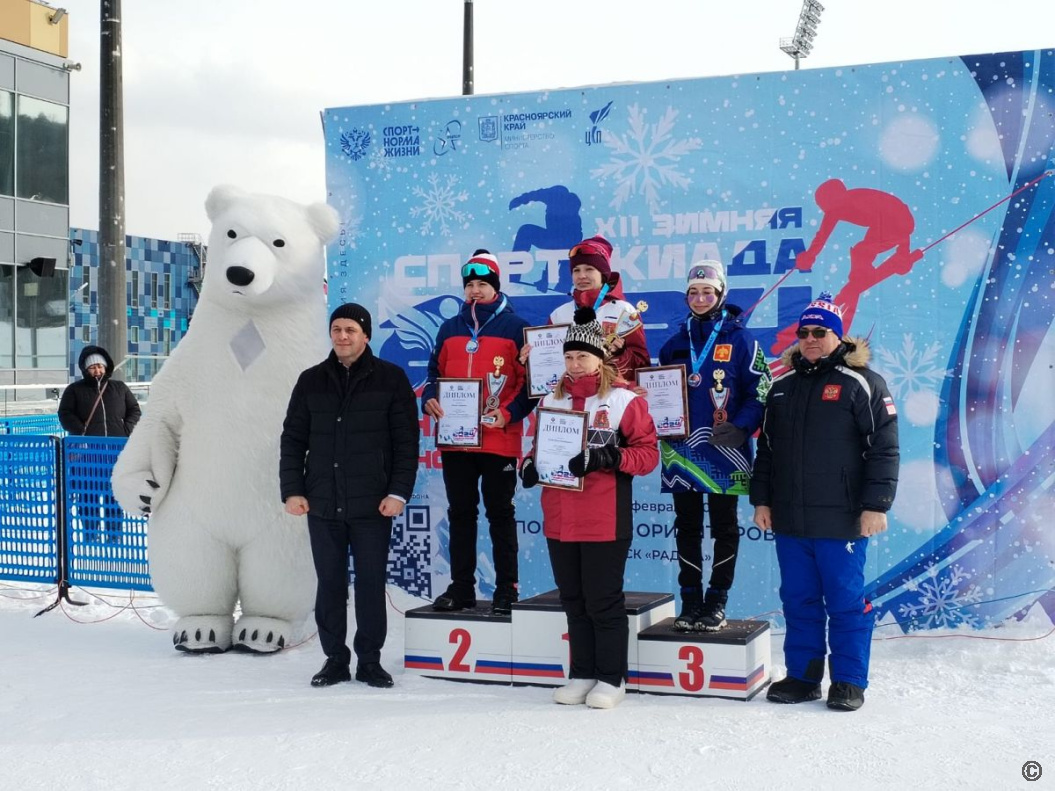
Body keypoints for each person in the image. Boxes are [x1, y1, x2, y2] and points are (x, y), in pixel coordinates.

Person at [750, 292, 899, 712]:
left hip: (843, 518)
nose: (811, 339)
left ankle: (849, 680)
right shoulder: (781, 387)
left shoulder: (863, 383)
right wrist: (762, 501)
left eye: (820, 332)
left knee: (846, 601)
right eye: (804, 333)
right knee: (798, 599)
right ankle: (802, 676)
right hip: (791, 519)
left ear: (838, 336)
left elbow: (884, 448)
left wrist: (877, 504)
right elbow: (768, 452)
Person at [520, 307, 658, 709]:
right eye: (568, 356)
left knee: (603, 599)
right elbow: (534, 449)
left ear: (600, 358)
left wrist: (608, 458)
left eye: (582, 356)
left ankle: (611, 678)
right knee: (573, 599)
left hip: (604, 517)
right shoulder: (551, 398)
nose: (575, 363)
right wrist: (528, 466)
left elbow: (647, 456)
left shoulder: (622, 401)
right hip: (560, 518)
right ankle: (581, 673)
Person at [280, 303, 420, 689]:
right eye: (337, 329)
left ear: (366, 335)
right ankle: (335, 659)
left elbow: (407, 443)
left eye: (351, 330)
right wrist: (293, 489)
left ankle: (370, 661)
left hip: (373, 503)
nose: (342, 336)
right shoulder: (311, 380)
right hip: (322, 502)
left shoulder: (391, 380)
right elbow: (293, 439)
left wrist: (398, 492)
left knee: (371, 585)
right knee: (330, 585)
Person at [657, 261, 770, 632]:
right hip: (682, 449)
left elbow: (761, 392)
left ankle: (717, 601)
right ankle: (690, 600)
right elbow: (663, 394)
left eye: (707, 291)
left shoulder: (742, 339)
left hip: (726, 447)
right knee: (686, 525)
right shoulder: (674, 343)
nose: (700, 298)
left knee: (724, 527)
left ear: (721, 294)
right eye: (693, 292)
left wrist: (742, 427)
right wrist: (660, 418)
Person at [421, 250, 533, 615]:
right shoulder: (449, 328)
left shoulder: (515, 327)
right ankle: (462, 588)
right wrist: (431, 399)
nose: (475, 291)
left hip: (499, 439)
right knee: (460, 514)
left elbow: (530, 385)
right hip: (457, 441)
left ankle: (506, 589)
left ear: (496, 288)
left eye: (483, 284)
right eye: (469, 284)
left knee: (500, 513)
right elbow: (433, 375)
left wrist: (507, 414)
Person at [58, 345, 141, 543]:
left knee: (114, 495)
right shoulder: (75, 390)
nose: (97, 370)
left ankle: (114, 535)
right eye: (92, 367)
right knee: (88, 496)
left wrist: (126, 430)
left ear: (106, 367)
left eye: (100, 366)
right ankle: (90, 535)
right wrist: (82, 432)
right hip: (86, 453)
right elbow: (65, 414)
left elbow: (134, 410)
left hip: (115, 452)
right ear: (85, 369)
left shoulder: (119, 388)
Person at [543, 235, 651, 380]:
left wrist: (621, 353)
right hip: (569, 397)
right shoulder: (559, 314)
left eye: (589, 269)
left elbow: (642, 367)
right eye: (576, 270)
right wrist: (531, 359)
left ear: (603, 274)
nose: (582, 276)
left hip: (610, 396)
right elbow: (547, 363)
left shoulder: (624, 312)